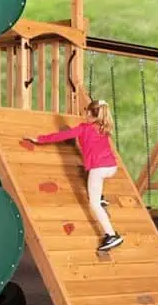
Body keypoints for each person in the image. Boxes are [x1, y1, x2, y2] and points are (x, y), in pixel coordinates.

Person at [25, 100, 124, 252]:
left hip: (98, 169)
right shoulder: (103, 129)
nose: (85, 114)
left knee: (94, 204)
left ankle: (112, 235)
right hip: (111, 167)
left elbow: (62, 135)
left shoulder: (84, 128)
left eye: (86, 112)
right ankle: (101, 196)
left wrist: (40, 139)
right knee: (87, 173)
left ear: (90, 114)